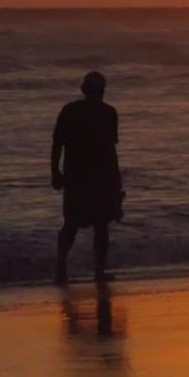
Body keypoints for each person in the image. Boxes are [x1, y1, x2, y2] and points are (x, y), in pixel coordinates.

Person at [52, 71, 123, 284]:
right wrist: (116, 183)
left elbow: (57, 144)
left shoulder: (71, 111)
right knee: (96, 226)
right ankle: (95, 271)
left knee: (76, 224)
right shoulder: (108, 113)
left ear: (83, 90)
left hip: (81, 177)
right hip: (94, 177)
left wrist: (54, 172)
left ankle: (63, 268)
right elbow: (111, 151)